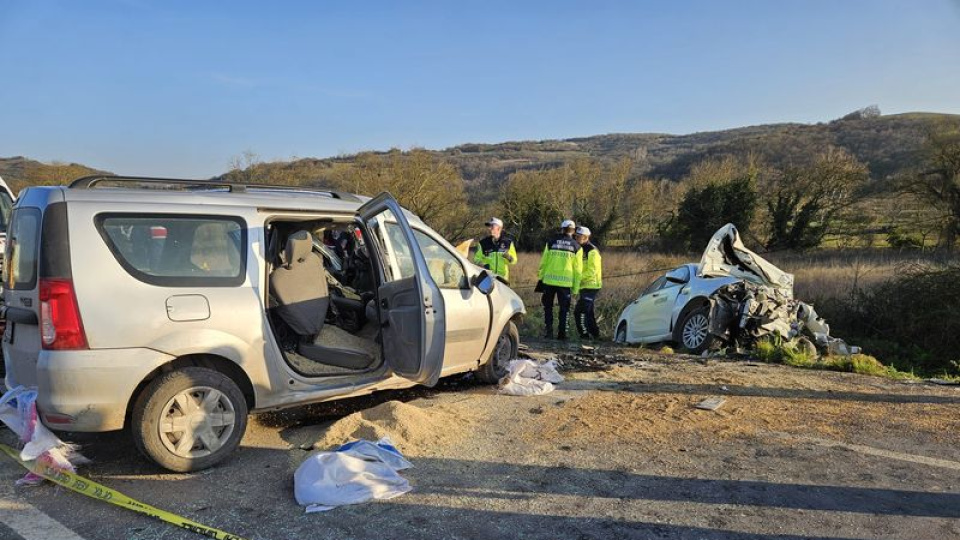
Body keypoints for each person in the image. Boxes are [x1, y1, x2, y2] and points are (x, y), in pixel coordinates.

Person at [537, 219, 582, 340]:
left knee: (548, 307)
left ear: (562, 229)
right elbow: (578, 270)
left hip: (549, 281)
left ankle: (549, 332)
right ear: (573, 231)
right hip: (565, 284)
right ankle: (562, 334)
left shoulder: (551, 242)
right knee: (564, 309)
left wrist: (541, 278)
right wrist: (576, 289)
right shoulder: (577, 247)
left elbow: (543, 262)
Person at [573, 226, 602, 340]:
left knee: (579, 312)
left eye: (579, 237)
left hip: (591, 285)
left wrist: (578, 278)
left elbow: (592, 271)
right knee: (589, 313)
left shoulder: (592, 251)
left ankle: (584, 335)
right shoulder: (580, 249)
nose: (576, 238)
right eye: (576, 236)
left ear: (585, 237)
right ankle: (595, 335)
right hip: (584, 285)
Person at [473, 217, 517, 283]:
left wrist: (509, 257)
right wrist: (483, 265)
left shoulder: (508, 243)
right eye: (489, 227)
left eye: (492, 227)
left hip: (503, 279)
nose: (489, 229)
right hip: (487, 277)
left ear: (499, 228)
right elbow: (476, 259)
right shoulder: (482, 243)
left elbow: (514, 261)